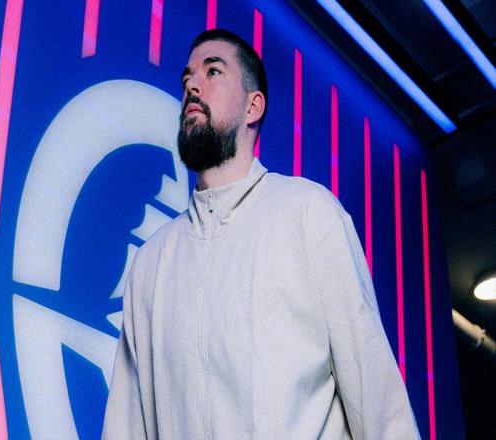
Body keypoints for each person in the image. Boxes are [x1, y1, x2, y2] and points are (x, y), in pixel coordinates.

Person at [102, 29, 420, 439]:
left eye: (213, 71)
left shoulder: (308, 213)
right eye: (187, 79)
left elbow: (372, 387)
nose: (192, 86)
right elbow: (126, 424)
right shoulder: (152, 262)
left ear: (253, 106)